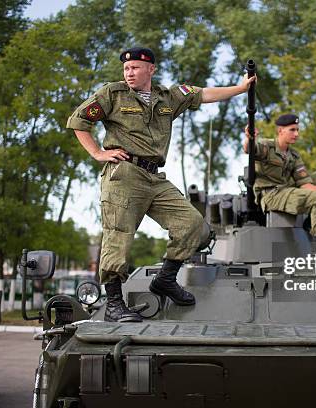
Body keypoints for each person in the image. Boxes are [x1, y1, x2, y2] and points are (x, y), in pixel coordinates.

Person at [67, 47, 256, 322]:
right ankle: (114, 304)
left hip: (155, 177)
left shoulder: (168, 97)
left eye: (134, 68)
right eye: (126, 69)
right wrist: (97, 153)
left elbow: (203, 94)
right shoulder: (113, 93)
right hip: (125, 175)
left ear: (151, 70)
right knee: (118, 236)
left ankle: (165, 279)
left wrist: (240, 88)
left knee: (194, 226)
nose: (129, 73)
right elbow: (78, 121)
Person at [243, 113, 316, 241]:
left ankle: (311, 224)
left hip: (287, 190)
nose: (296, 134)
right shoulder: (267, 147)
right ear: (280, 131)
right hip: (271, 195)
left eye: (297, 130)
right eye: (292, 130)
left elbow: (303, 183)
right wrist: (249, 138)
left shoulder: (294, 155)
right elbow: (249, 149)